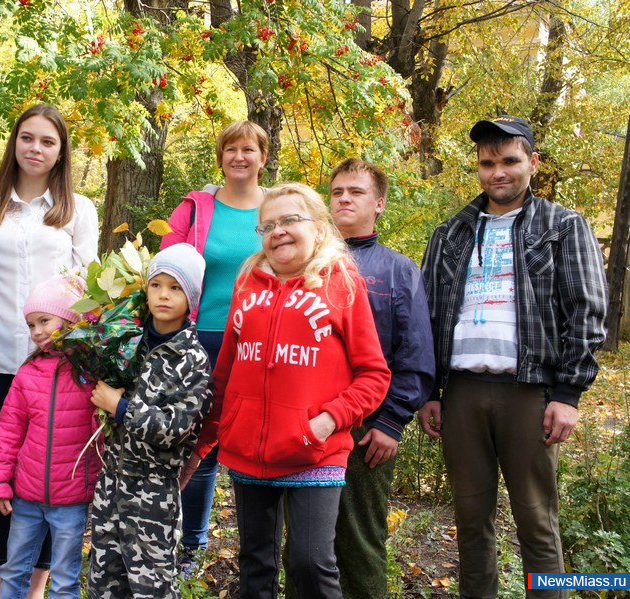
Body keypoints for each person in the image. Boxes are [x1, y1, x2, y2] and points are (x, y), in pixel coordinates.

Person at [417, 116, 607, 598]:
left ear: (532, 163)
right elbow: (430, 314)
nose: (496, 171)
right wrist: (429, 392)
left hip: (530, 393)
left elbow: (587, 309)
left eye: (509, 160)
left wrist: (568, 394)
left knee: (537, 524)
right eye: (487, 163)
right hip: (461, 392)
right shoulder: (450, 233)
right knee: (470, 521)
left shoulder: (563, 226)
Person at [182, 183, 391, 599]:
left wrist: (328, 421)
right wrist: (201, 445)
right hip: (247, 452)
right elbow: (224, 376)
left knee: (310, 564)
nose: (278, 231)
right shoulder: (247, 283)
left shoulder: (341, 283)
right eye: (268, 225)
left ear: (318, 227)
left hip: (314, 449)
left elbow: (374, 374)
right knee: (255, 565)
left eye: (290, 220)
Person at [0, 104, 98, 597]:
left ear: (61, 153)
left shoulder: (78, 209)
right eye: (28, 138)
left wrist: (91, 363)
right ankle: (3, 581)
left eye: (48, 142)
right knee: (4, 472)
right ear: (14, 143)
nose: (36, 149)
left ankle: (37, 587)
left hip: (60, 367)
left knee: (50, 476)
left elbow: (91, 292)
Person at [161, 120, 268, 574]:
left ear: (263, 157)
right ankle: (190, 545)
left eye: (248, 149)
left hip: (260, 340)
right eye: (230, 149)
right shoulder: (196, 207)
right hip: (198, 336)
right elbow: (164, 265)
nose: (239, 157)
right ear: (221, 157)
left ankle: (260, 555)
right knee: (195, 444)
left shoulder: (279, 209)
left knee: (250, 445)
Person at [328, 159, 435, 598]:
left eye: (356, 191)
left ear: (379, 203)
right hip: (307, 426)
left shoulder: (397, 270)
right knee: (305, 546)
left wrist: (391, 422)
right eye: (337, 192)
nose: (345, 199)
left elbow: (416, 353)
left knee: (359, 542)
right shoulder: (306, 260)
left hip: (366, 432)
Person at [86, 243, 213, 599]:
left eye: (176, 288)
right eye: (156, 285)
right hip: (112, 485)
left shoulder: (192, 359)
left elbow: (175, 430)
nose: (164, 296)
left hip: (153, 494)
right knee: (104, 585)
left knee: (152, 588)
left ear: (191, 298)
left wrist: (120, 406)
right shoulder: (127, 341)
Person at [0, 274, 102, 599]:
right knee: (14, 570)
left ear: (70, 316)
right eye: (31, 325)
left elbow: (104, 434)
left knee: (65, 578)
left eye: (44, 321)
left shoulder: (92, 372)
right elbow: (7, 433)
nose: (36, 332)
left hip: (72, 499)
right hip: (27, 497)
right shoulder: (27, 374)